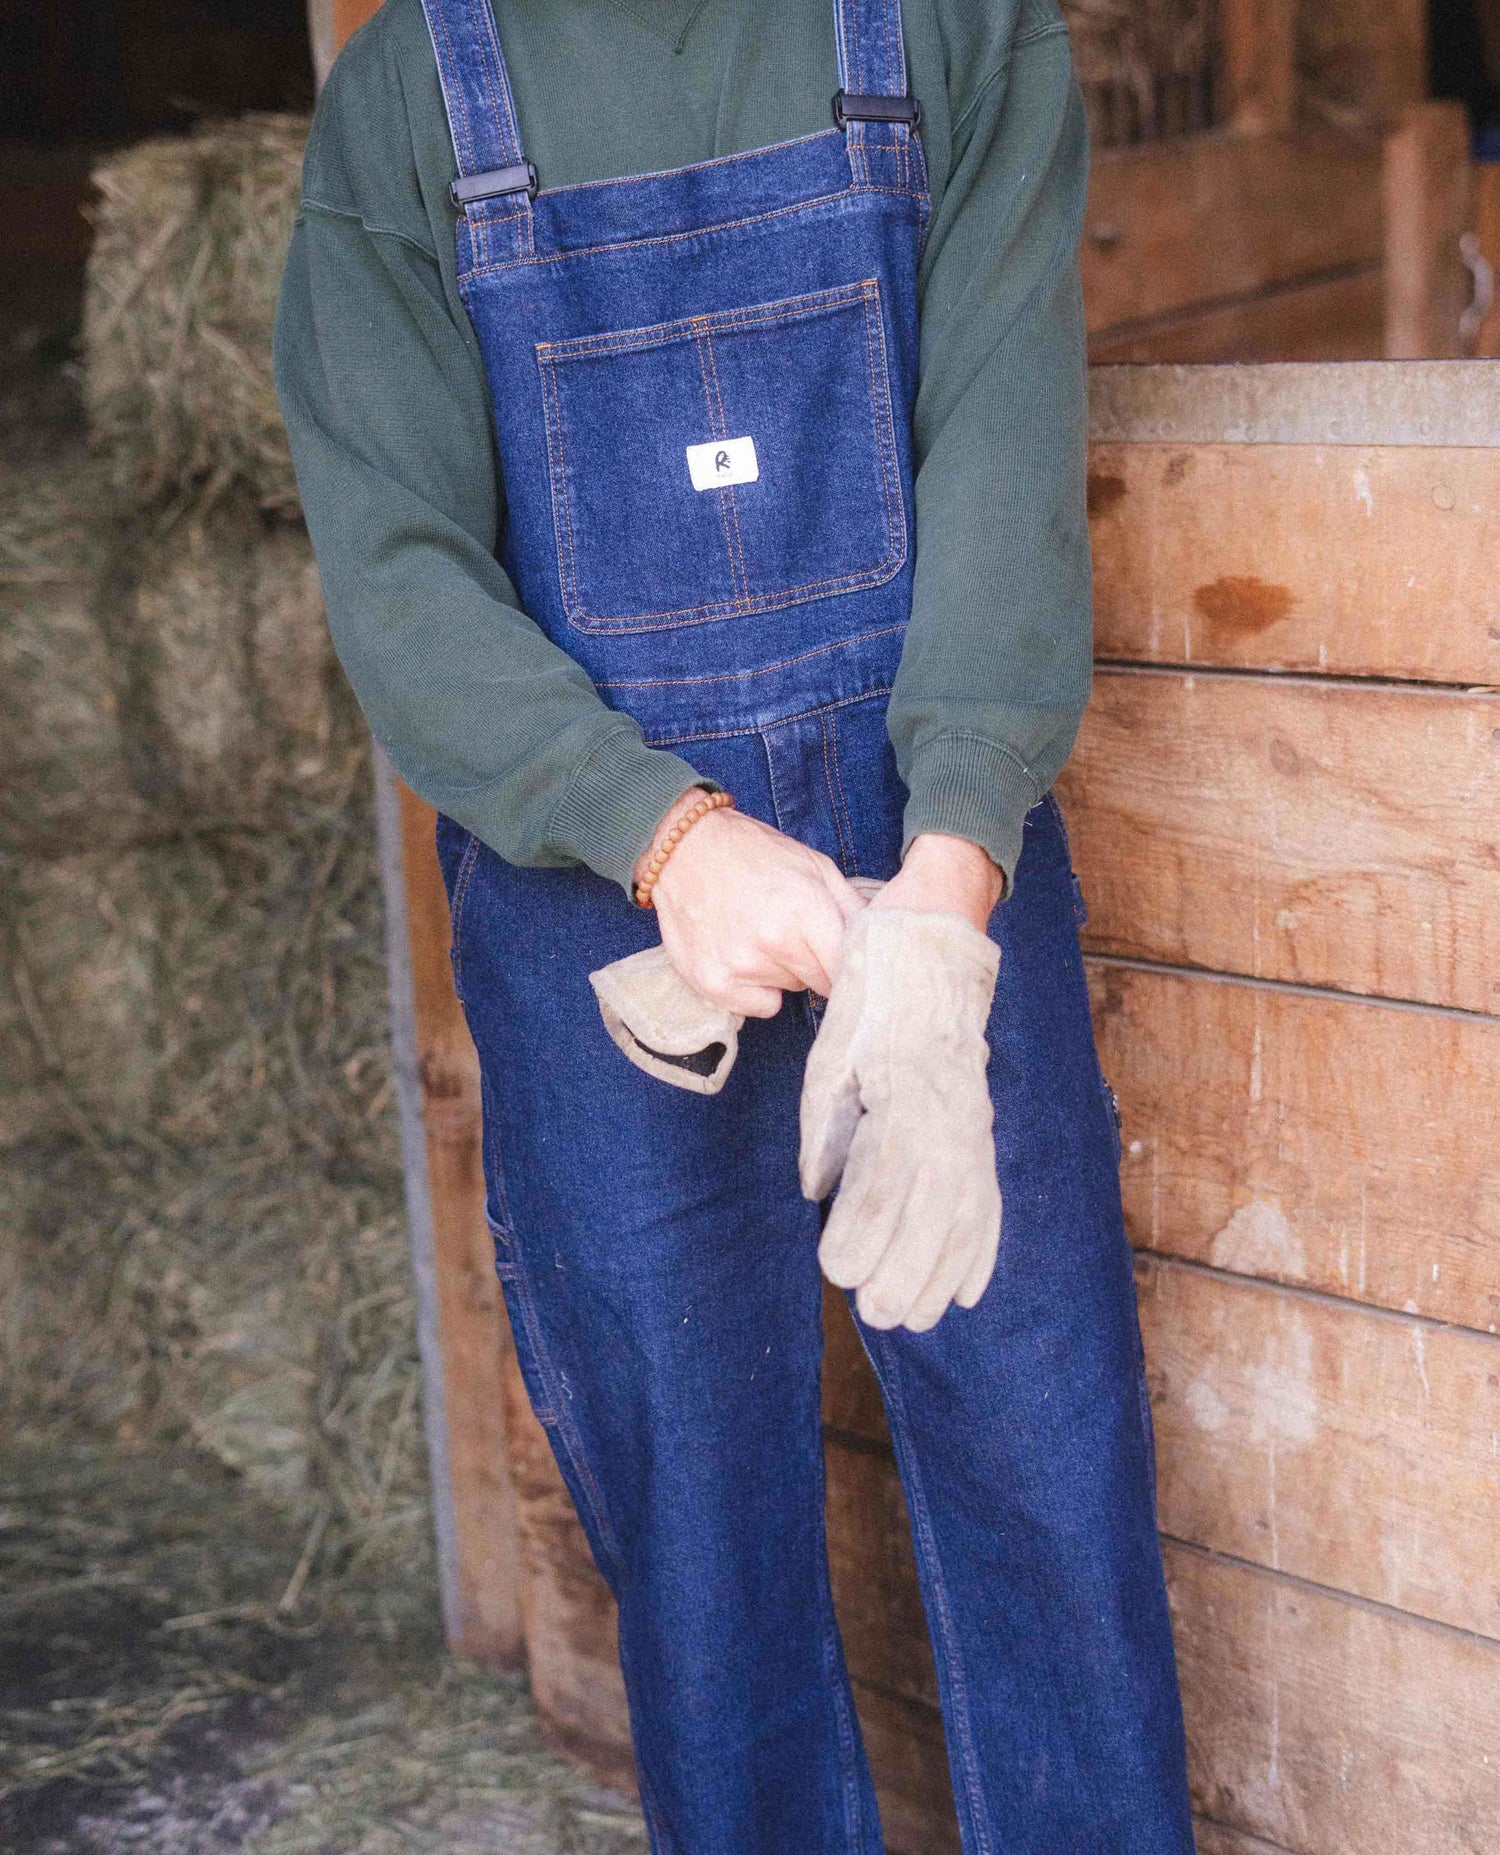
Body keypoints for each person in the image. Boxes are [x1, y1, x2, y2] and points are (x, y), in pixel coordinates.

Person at [274, 1, 1194, 1847]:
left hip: (930, 856)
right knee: (702, 1535)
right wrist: (665, 837)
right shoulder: (408, 107)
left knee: (1047, 1473)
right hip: (593, 896)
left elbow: (1005, 441)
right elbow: (399, 573)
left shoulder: (950, 30)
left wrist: (948, 890)